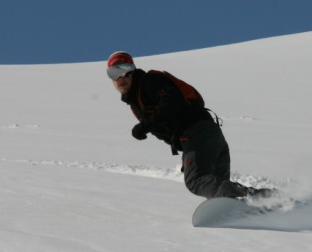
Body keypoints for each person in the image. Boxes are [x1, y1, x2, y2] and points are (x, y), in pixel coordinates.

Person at [107, 51, 272, 200]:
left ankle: (243, 195)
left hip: (196, 133)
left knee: (196, 181)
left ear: (133, 69)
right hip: (208, 134)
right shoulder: (136, 100)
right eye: (114, 73)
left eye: (124, 69)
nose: (121, 77)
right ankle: (265, 199)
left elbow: (172, 102)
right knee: (219, 194)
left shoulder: (149, 82)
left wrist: (145, 126)